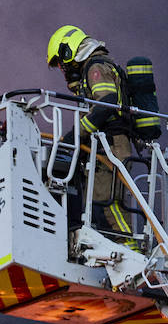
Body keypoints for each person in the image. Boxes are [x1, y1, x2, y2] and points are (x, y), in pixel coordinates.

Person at [45, 24, 140, 251]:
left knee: (106, 202)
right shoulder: (93, 69)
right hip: (106, 147)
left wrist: (75, 135)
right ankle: (119, 248)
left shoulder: (96, 67)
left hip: (112, 147)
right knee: (98, 203)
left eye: (61, 62)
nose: (62, 68)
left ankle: (130, 249)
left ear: (70, 51)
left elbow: (106, 102)